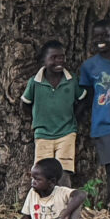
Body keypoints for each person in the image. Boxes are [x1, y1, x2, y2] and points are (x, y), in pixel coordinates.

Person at [22, 40, 86, 187]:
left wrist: (73, 118)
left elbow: (83, 99)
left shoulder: (71, 80)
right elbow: (25, 104)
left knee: (64, 171)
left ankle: (64, 204)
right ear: (43, 61)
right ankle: (42, 205)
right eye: (54, 57)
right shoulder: (35, 82)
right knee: (41, 173)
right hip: (43, 133)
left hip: (67, 132)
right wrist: (37, 118)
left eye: (62, 57)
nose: (59, 61)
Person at [79, 19, 110, 214]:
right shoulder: (89, 67)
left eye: (105, 36)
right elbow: (86, 97)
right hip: (103, 125)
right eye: (96, 37)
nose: (100, 40)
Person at [3, 158, 87, 219]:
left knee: (76, 205)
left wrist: (64, 216)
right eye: (32, 178)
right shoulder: (33, 193)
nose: (33, 182)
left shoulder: (60, 192)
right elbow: (27, 217)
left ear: (51, 182)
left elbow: (81, 194)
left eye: (37, 179)